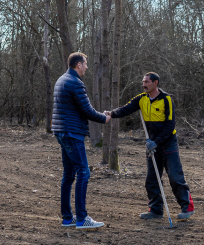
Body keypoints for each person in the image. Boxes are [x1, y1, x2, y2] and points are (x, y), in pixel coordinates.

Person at [107, 72, 194, 220]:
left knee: (175, 176)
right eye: (143, 82)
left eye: (147, 82)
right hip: (151, 144)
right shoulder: (141, 99)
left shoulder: (166, 99)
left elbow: (170, 124)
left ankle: (187, 207)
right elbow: (126, 109)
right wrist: (111, 114)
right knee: (152, 180)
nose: (143, 84)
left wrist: (157, 142)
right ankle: (155, 210)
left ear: (155, 83)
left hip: (167, 144)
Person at [52, 52, 110, 229]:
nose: (86, 67)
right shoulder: (75, 82)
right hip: (72, 133)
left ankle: (67, 218)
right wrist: (104, 118)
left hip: (62, 132)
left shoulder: (62, 79)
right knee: (83, 172)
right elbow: (87, 110)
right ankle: (82, 219)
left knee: (68, 175)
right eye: (85, 64)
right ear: (78, 65)